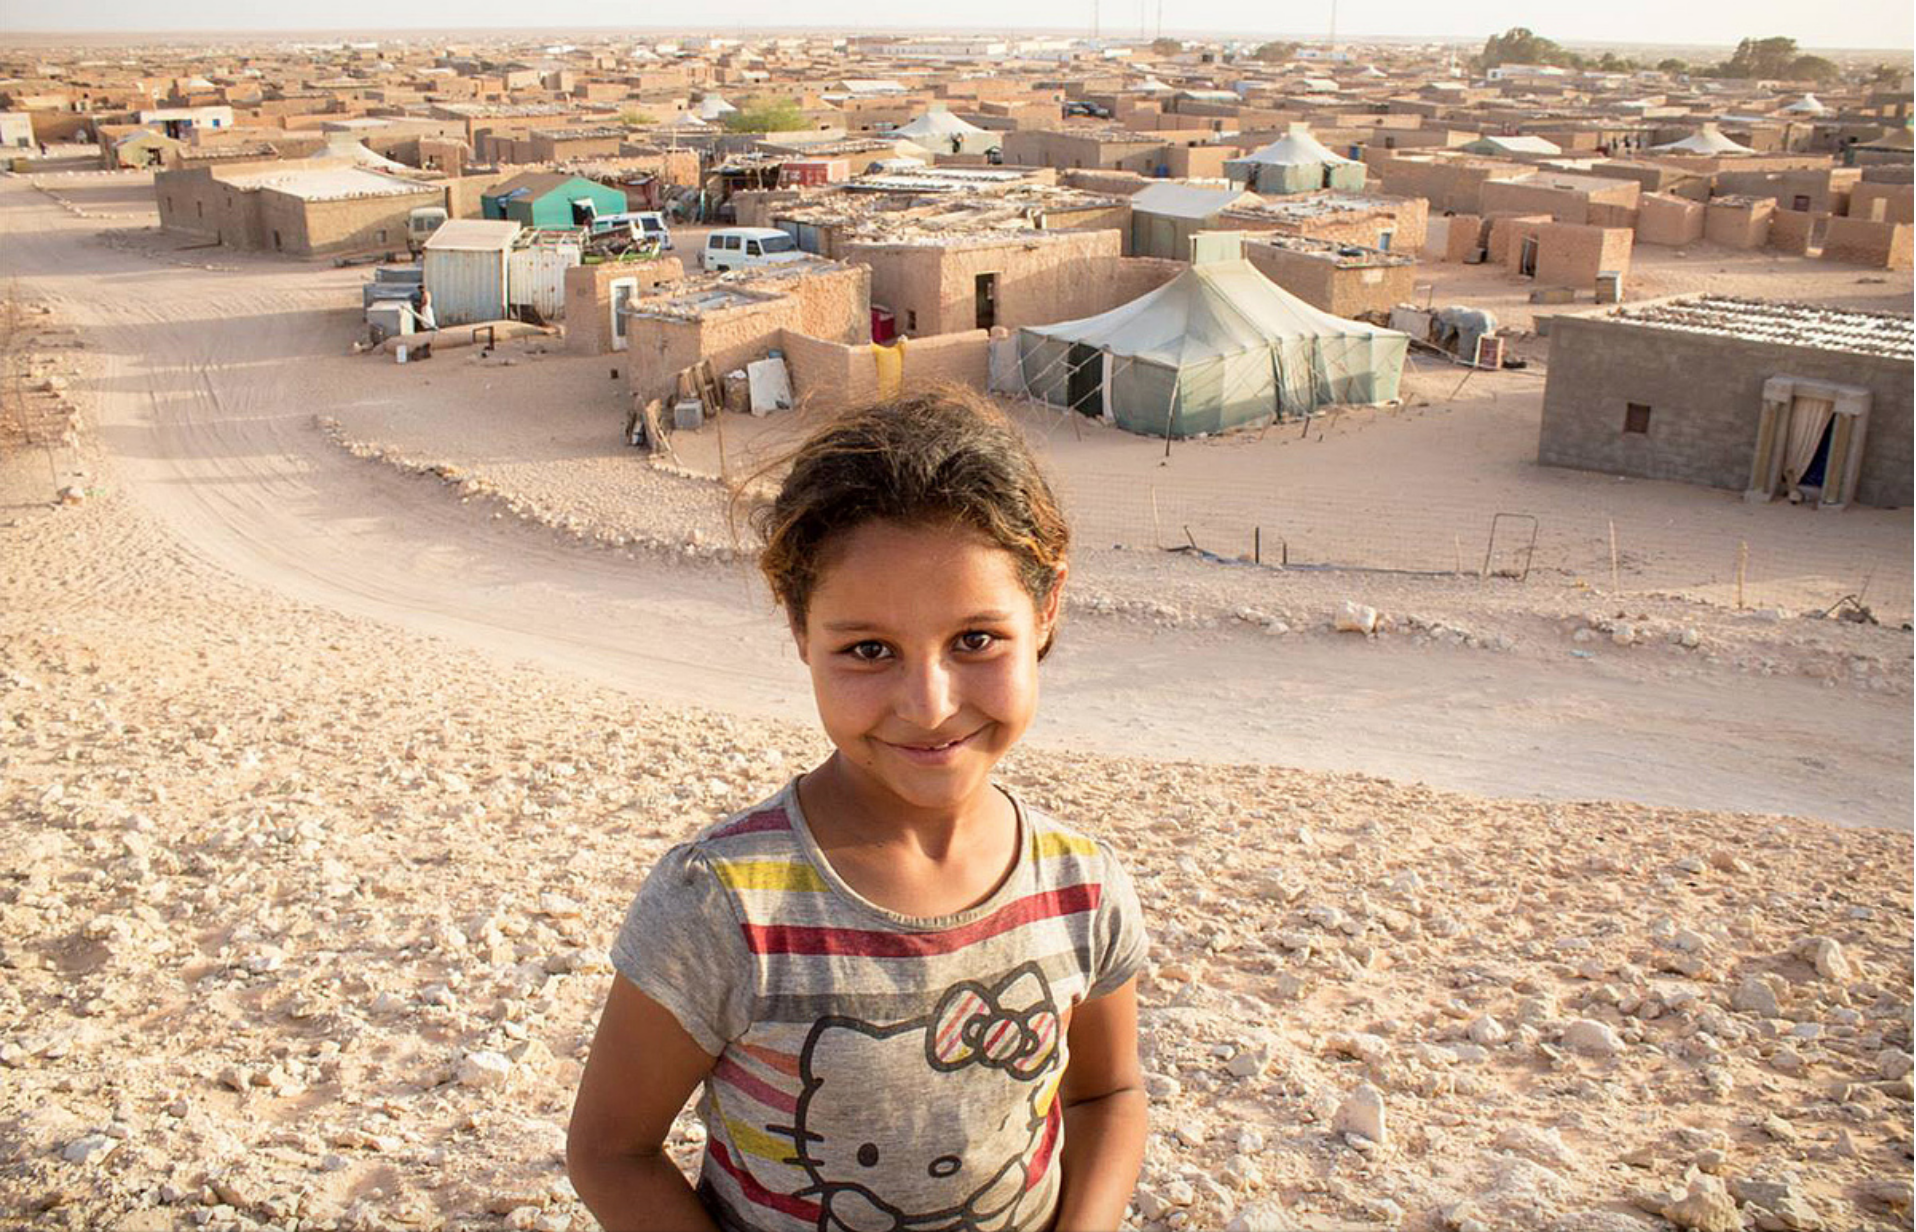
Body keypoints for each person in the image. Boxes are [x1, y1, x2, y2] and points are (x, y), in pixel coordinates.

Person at [568, 390, 1149, 1232]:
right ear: (802, 633)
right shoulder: (724, 904)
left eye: (976, 640)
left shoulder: (1080, 888)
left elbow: (1109, 1093)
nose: (929, 703)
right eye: (868, 650)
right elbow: (611, 1151)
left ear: (1047, 607)